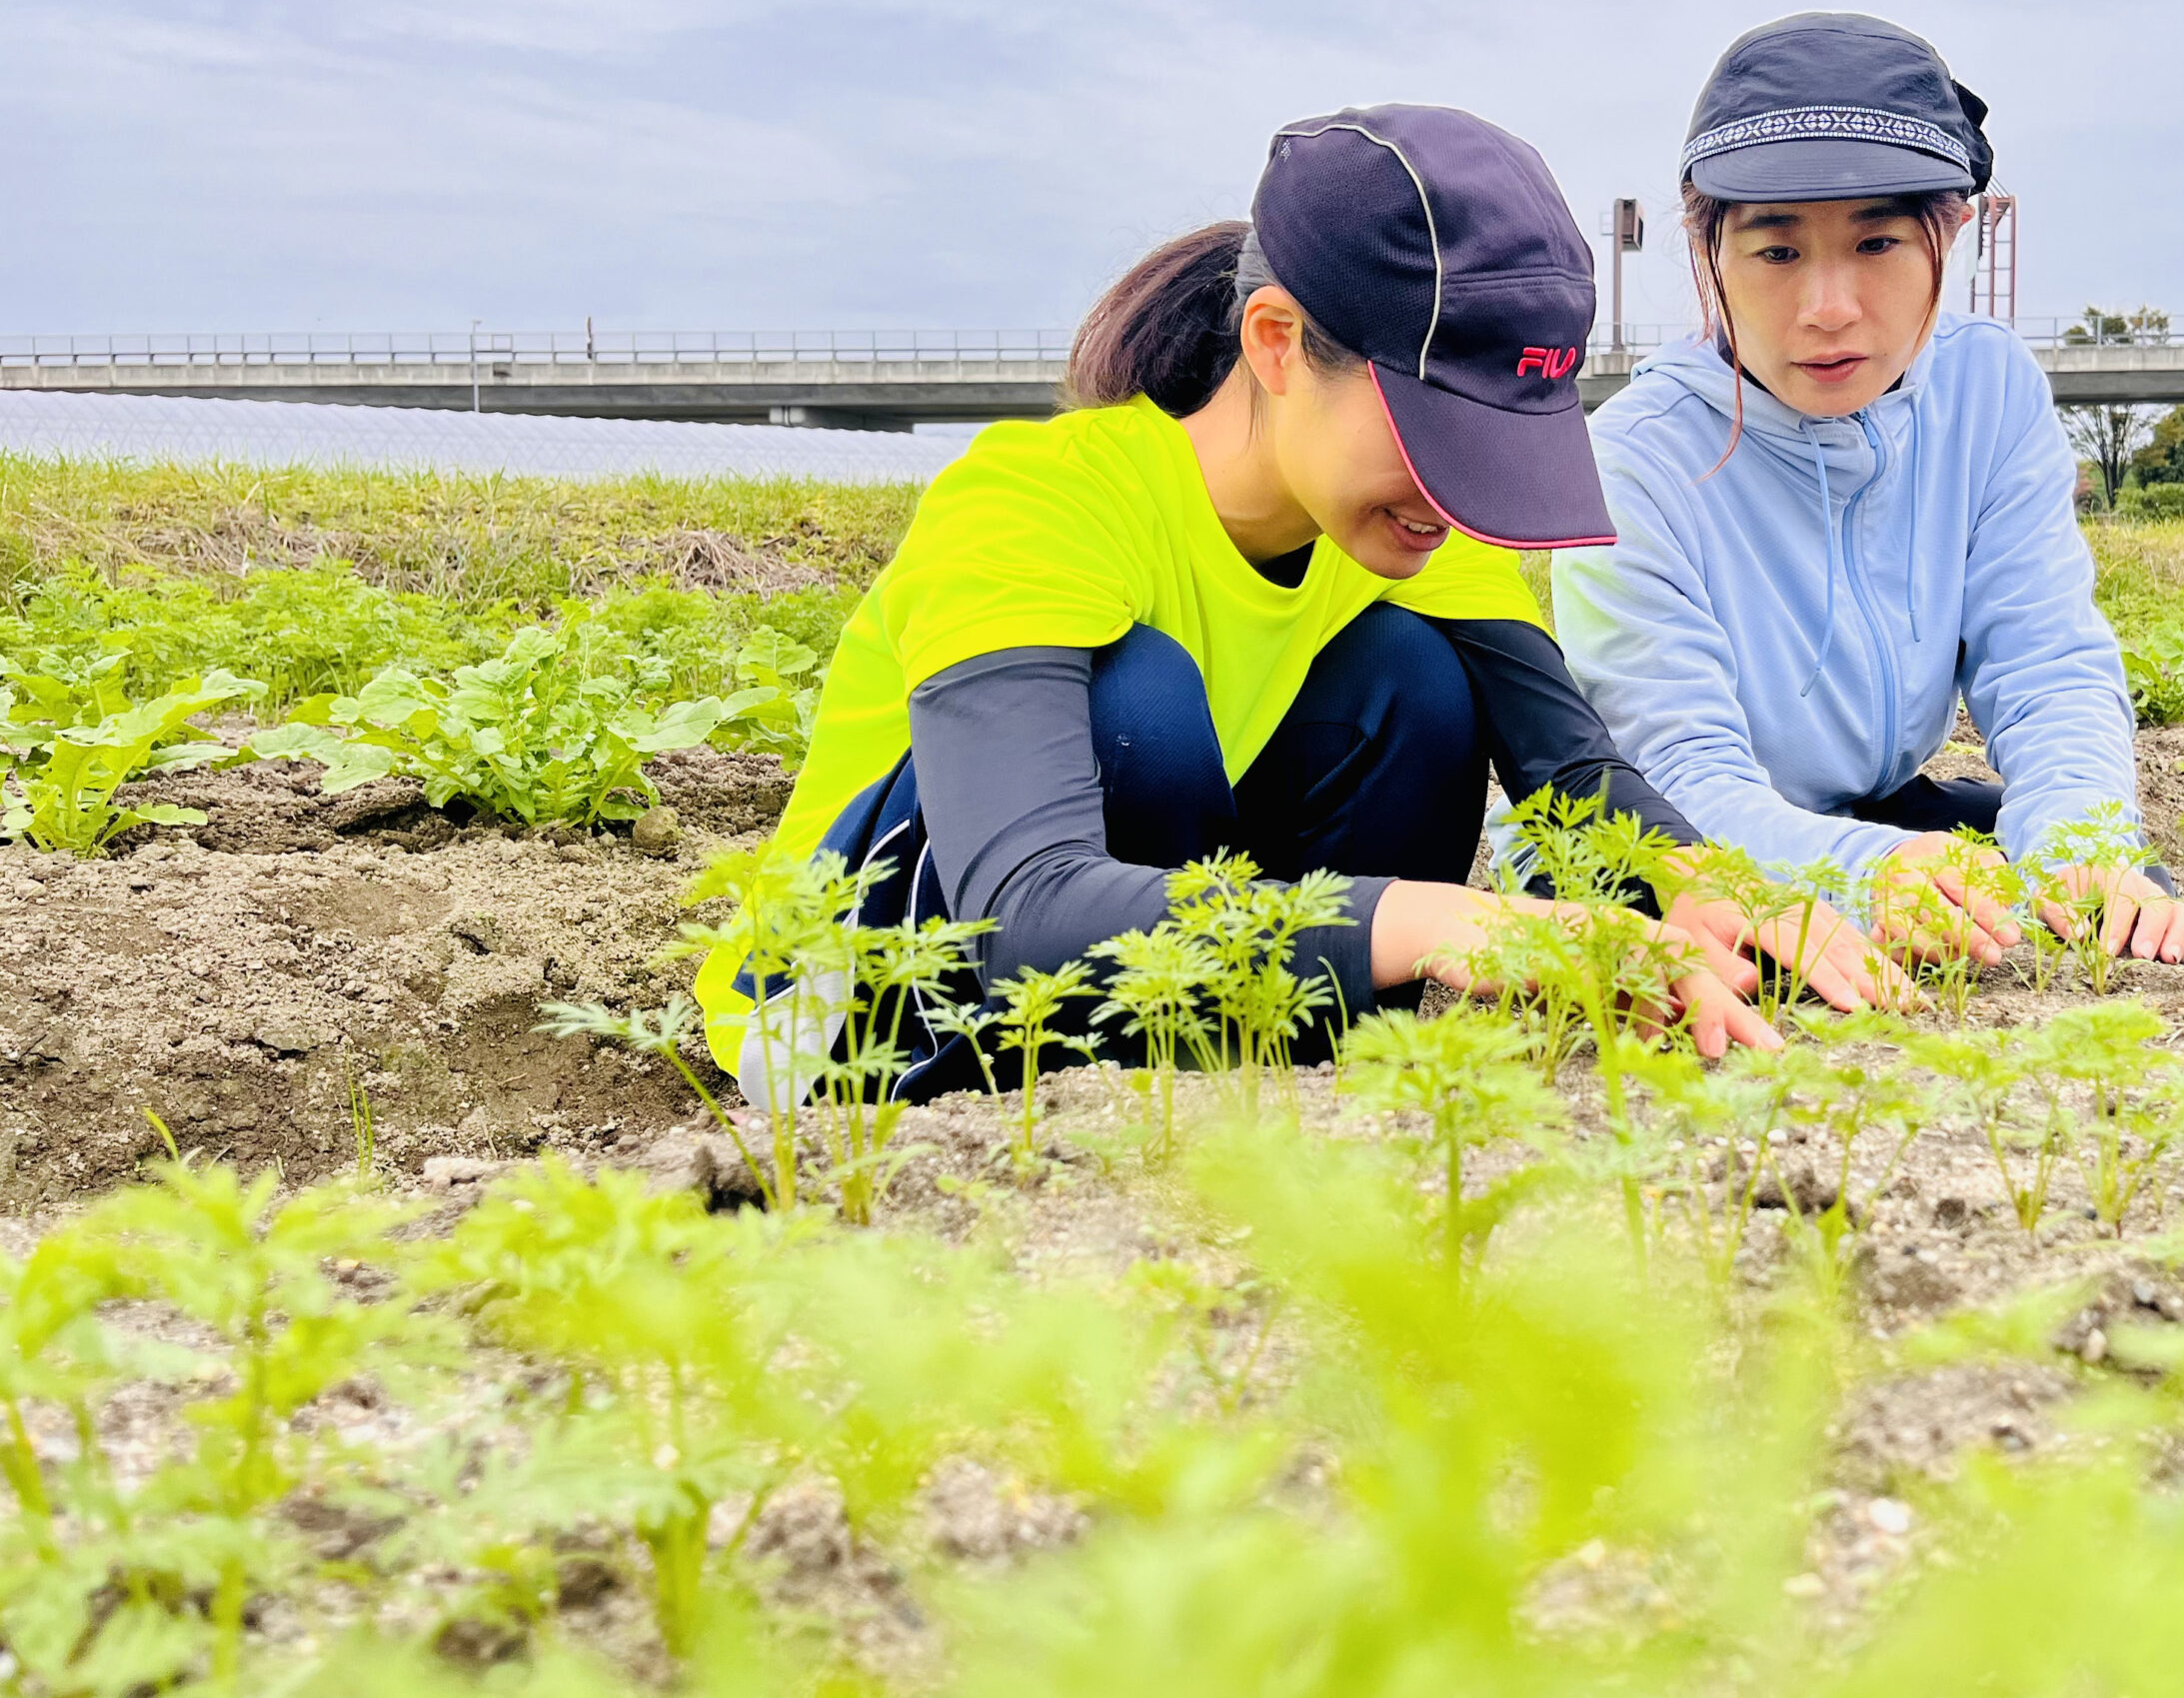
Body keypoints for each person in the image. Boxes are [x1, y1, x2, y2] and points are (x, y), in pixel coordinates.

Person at [698, 102, 1900, 1103]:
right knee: (1148, 702)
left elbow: (1577, 783)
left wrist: (1732, 900)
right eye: (1438, 436)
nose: (1458, 494)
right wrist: (1447, 925)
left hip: (1169, 995)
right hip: (861, 1014)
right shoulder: (1038, 501)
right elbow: (1026, 907)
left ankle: (1290, 1075)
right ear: (1275, 343)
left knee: (1415, 684)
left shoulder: (1409, 529)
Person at [1552, 14, 2184, 969]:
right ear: (1708, 250)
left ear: (1952, 233)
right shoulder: (1635, 462)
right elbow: (1680, 770)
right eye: (1777, 253)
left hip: (1868, 807)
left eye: (1879, 245)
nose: (1828, 308)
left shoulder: (1988, 390)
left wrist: (2080, 849)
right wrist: (1866, 869)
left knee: (2097, 893)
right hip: (1677, 835)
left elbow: (2044, 658)